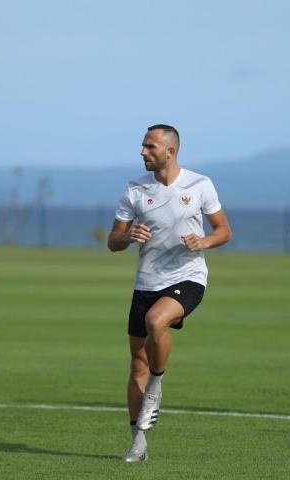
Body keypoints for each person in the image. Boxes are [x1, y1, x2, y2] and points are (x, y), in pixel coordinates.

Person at [108, 124, 232, 462]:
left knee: (155, 320)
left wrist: (204, 241)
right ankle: (138, 442)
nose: (142, 152)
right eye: (142, 146)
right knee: (137, 364)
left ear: (169, 151)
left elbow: (224, 230)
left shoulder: (199, 185)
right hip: (146, 282)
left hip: (188, 277)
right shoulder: (134, 190)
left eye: (149, 146)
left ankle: (157, 386)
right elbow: (113, 241)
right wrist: (128, 235)